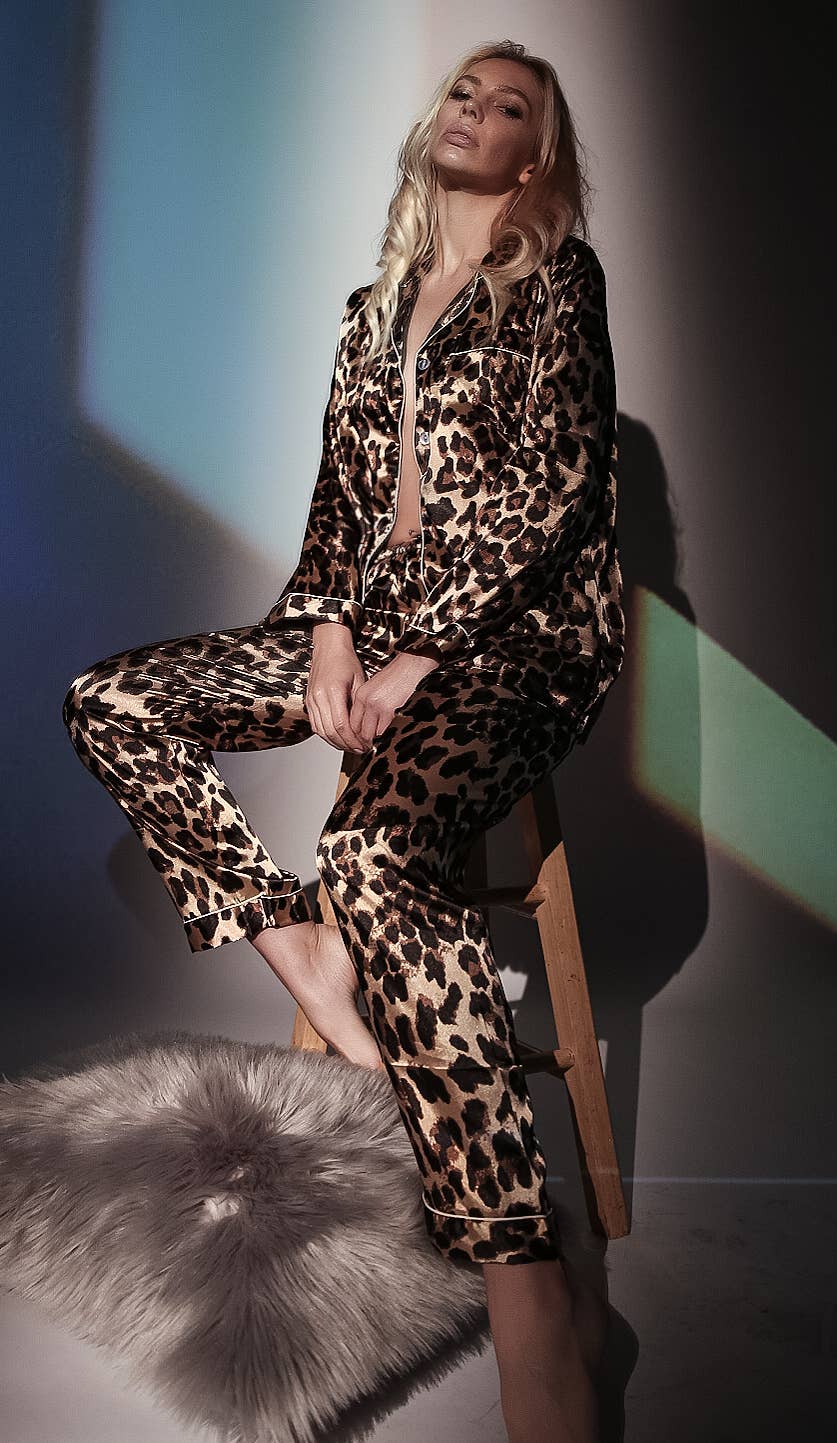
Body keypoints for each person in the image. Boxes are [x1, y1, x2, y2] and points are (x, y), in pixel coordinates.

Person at [63, 38, 624, 1443]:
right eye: (464, 93)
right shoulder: (372, 308)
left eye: (511, 107)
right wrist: (328, 633)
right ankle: (295, 943)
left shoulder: (558, 283)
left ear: (536, 158)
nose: (477, 113)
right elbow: (337, 508)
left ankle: (530, 1291)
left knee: (373, 854)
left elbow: (553, 493)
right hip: (370, 632)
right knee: (112, 700)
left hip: (515, 646)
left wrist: (422, 651)